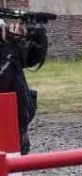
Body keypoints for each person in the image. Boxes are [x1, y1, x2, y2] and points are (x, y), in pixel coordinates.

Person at [0, 18, 39, 154]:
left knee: (15, 168)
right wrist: (10, 49)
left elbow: (31, 60)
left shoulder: (8, 52)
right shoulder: (8, 53)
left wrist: (29, 39)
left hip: (18, 120)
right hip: (6, 123)